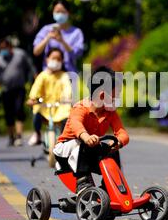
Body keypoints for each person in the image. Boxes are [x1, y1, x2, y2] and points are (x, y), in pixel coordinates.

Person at [53, 66, 129, 194]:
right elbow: (76, 124)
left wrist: (118, 141)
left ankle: (111, 185)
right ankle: (82, 182)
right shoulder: (80, 108)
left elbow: (122, 132)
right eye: (116, 96)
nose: (118, 99)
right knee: (82, 144)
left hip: (90, 149)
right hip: (66, 149)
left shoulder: (110, 112)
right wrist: (86, 136)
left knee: (112, 151)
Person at [0, 37, 36, 146]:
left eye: (4, 48)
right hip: (6, 89)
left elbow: (30, 66)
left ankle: (19, 135)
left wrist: (36, 77)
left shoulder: (20, 54)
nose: (2, 50)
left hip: (19, 87)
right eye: (1, 48)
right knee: (9, 114)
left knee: (18, 110)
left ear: (10, 47)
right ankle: (11, 136)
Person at [26, 48, 72, 146]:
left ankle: (65, 139)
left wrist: (67, 98)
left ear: (62, 61)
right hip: (44, 106)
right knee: (37, 112)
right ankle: (37, 133)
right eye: (53, 58)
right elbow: (35, 90)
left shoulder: (64, 76)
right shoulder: (42, 76)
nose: (55, 61)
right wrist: (33, 99)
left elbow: (67, 88)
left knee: (67, 115)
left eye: (58, 59)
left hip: (59, 107)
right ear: (47, 59)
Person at [32, 0, 85, 73]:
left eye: (63, 11)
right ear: (53, 13)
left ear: (68, 13)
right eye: (57, 11)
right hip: (50, 75)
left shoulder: (76, 32)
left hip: (69, 75)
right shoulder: (46, 30)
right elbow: (36, 52)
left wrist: (62, 41)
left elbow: (77, 55)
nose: (60, 14)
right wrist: (47, 38)